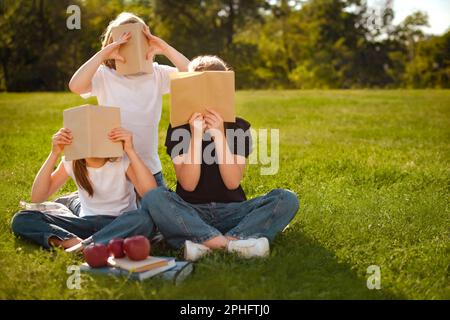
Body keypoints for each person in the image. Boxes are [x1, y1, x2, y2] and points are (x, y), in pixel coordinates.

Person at [141, 56, 300, 261]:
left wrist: (218, 135)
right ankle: (234, 245)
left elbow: (232, 181)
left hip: (232, 211)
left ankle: (206, 244)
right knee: (155, 197)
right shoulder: (179, 129)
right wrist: (196, 135)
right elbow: (188, 184)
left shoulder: (239, 127)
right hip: (192, 211)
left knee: (286, 198)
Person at [68, 11, 190, 189]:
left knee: (160, 214)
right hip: (116, 170)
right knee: (120, 214)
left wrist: (165, 49)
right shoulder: (104, 76)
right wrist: (102, 56)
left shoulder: (157, 74)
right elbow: (76, 86)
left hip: (150, 170)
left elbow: (193, 76)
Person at [11, 126, 156, 249]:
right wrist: (54, 153)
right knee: (22, 219)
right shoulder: (72, 162)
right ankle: (73, 243)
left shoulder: (121, 160)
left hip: (118, 223)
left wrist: (130, 150)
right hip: (84, 223)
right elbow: (37, 197)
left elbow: (150, 193)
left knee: (144, 220)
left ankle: (85, 246)